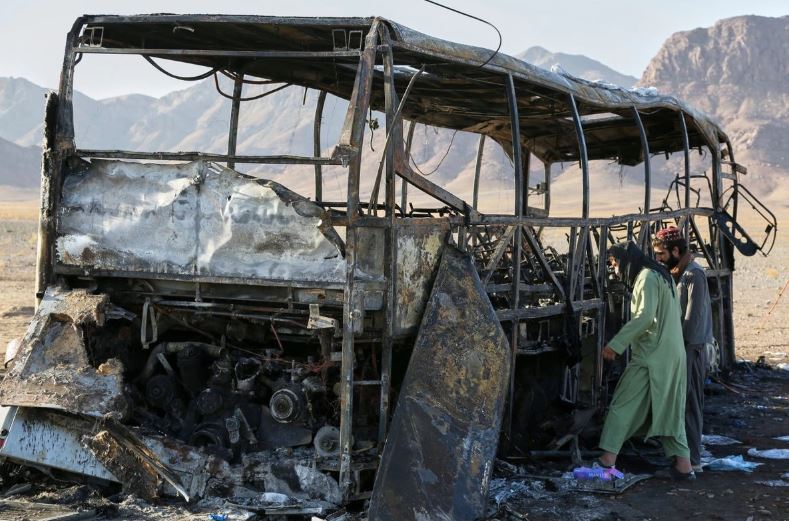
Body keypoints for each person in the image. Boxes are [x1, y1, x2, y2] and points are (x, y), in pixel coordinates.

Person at [598, 241, 695, 479]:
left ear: (626, 260)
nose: (615, 271)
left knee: (622, 405)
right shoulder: (663, 276)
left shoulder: (646, 278)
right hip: (673, 354)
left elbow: (644, 317)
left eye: (615, 264)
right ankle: (684, 468)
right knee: (671, 409)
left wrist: (616, 345)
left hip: (652, 356)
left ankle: (606, 462)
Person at [653, 226, 714, 473]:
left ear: (676, 250)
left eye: (661, 254)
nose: (659, 259)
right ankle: (683, 459)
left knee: (689, 403)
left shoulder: (693, 274)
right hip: (683, 347)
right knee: (681, 402)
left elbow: (693, 317)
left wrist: (679, 347)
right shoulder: (681, 271)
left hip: (691, 348)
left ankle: (692, 461)